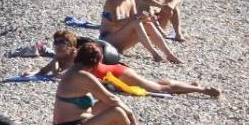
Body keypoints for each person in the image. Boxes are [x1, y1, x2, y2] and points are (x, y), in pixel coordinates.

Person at [25, 30, 218, 97]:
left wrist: (55, 66)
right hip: (110, 75)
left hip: (116, 74)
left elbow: (61, 75)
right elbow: (43, 71)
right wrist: (31, 72)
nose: (57, 46)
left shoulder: (77, 56)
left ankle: (201, 90)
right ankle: (189, 84)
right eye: (56, 43)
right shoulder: (60, 57)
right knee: (155, 83)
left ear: (71, 46)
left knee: (159, 89)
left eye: (62, 43)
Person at [52, 42, 159, 125]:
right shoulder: (83, 76)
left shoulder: (73, 70)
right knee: (117, 112)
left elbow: (102, 98)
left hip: (66, 124)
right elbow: (111, 98)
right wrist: (130, 114)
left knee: (107, 105)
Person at [101, 0, 182, 64]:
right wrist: (137, 17)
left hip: (122, 42)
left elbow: (134, 19)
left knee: (148, 24)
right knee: (136, 23)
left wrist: (145, 18)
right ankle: (155, 54)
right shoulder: (112, 0)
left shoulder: (131, 0)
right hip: (108, 40)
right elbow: (116, 23)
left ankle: (169, 54)